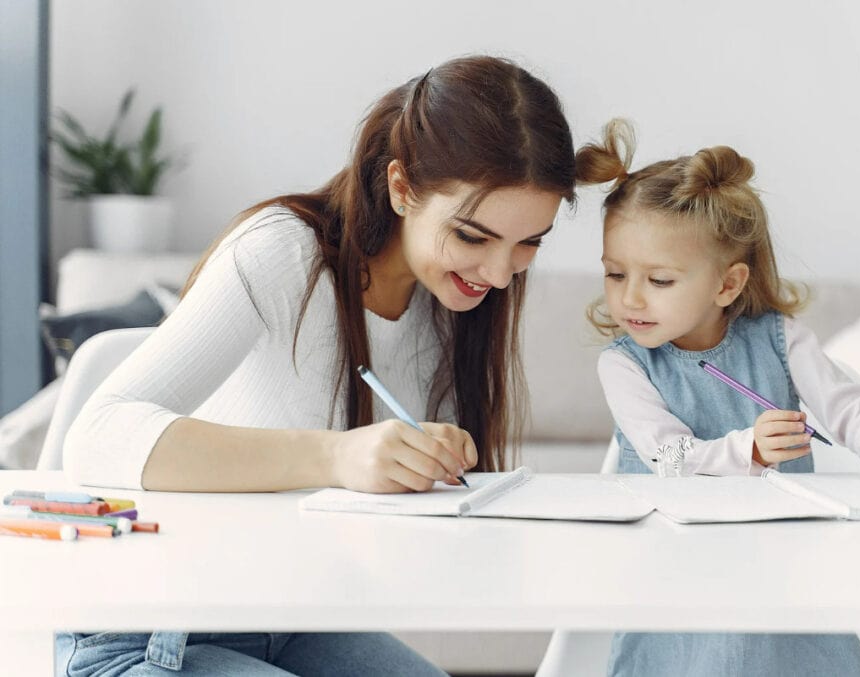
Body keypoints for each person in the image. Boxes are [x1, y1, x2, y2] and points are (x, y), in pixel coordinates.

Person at [57, 55, 577, 676]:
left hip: (293, 621)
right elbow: (97, 436)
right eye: (472, 236)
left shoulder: (452, 304)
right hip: (148, 631)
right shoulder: (283, 253)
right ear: (402, 187)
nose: (498, 274)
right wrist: (338, 456)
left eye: (528, 243)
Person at [576, 119, 860, 677]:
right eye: (615, 274)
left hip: (780, 566)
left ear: (728, 284)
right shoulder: (624, 364)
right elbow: (667, 456)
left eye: (660, 280)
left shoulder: (780, 339)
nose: (631, 298)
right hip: (674, 568)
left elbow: (846, 402)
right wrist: (751, 451)